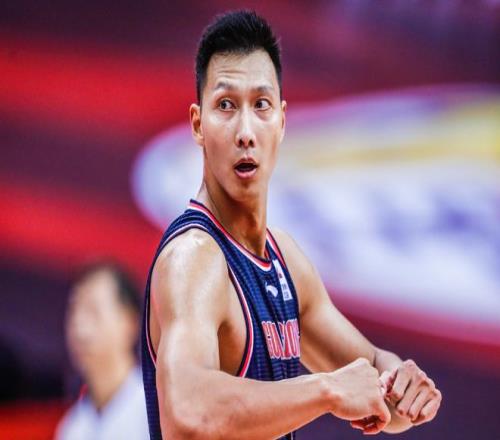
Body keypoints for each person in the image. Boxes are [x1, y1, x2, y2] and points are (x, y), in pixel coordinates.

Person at [142, 10, 442, 440]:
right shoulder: (194, 258)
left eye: (260, 105)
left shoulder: (285, 261)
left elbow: (374, 381)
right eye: (225, 106)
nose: (246, 132)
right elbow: (187, 415)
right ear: (197, 125)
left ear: (282, 122)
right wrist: (325, 390)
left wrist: (402, 385)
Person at [56, 261, 149, 440]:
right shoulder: (72, 427)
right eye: (74, 310)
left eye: (93, 311)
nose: (80, 327)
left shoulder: (152, 411)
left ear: (129, 322)